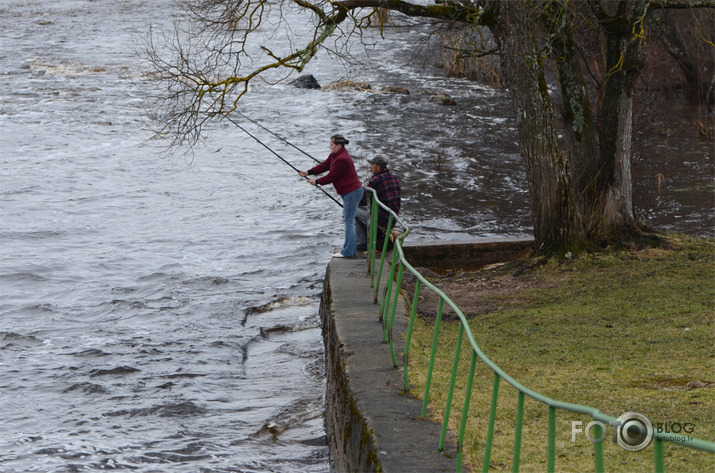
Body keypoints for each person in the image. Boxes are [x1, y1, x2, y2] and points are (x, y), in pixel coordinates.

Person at [298, 134, 364, 258]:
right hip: (348, 192)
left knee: (349, 221)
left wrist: (316, 182)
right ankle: (351, 249)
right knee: (350, 220)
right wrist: (308, 172)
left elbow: (332, 176)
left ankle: (348, 252)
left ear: (339, 146)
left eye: (332, 145)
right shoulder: (335, 155)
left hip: (352, 192)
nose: (330, 147)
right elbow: (325, 166)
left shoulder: (342, 159)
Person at [355, 156, 401, 251]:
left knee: (352, 211)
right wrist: (366, 189)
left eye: (372, 164)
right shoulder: (393, 177)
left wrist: (356, 192)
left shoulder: (376, 180)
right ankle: (370, 237)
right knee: (359, 209)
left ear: (378, 167)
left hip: (382, 219)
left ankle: (362, 242)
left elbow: (363, 200)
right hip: (392, 218)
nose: (370, 167)